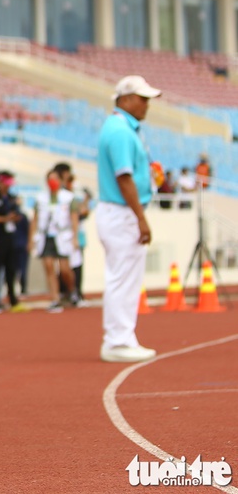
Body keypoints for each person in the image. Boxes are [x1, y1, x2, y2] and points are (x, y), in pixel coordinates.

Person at [97, 76, 161, 363]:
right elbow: (123, 179)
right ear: (124, 99)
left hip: (118, 212)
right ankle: (118, 341)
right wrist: (141, 218)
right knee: (123, 279)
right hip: (122, 212)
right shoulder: (121, 131)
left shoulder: (119, 128)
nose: (147, 105)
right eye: (142, 98)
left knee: (124, 279)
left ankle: (123, 337)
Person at [30, 169, 80, 313]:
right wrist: (32, 239)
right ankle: (55, 299)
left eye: (55, 178)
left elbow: (74, 219)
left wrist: (75, 238)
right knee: (49, 267)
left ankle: (72, 290)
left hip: (63, 236)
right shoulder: (40, 198)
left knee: (64, 269)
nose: (52, 182)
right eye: (49, 179)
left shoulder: (69, 197)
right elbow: (35, 219)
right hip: (46, 236)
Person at [0, 171, 27, 314]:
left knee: (11, 270)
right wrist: (5, 219)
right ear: (0, 182)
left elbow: (17, 215)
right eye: (6, 184)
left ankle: (13, 300)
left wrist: (16, 216)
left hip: (10, 238)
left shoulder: (11, 198)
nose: (8, 187)